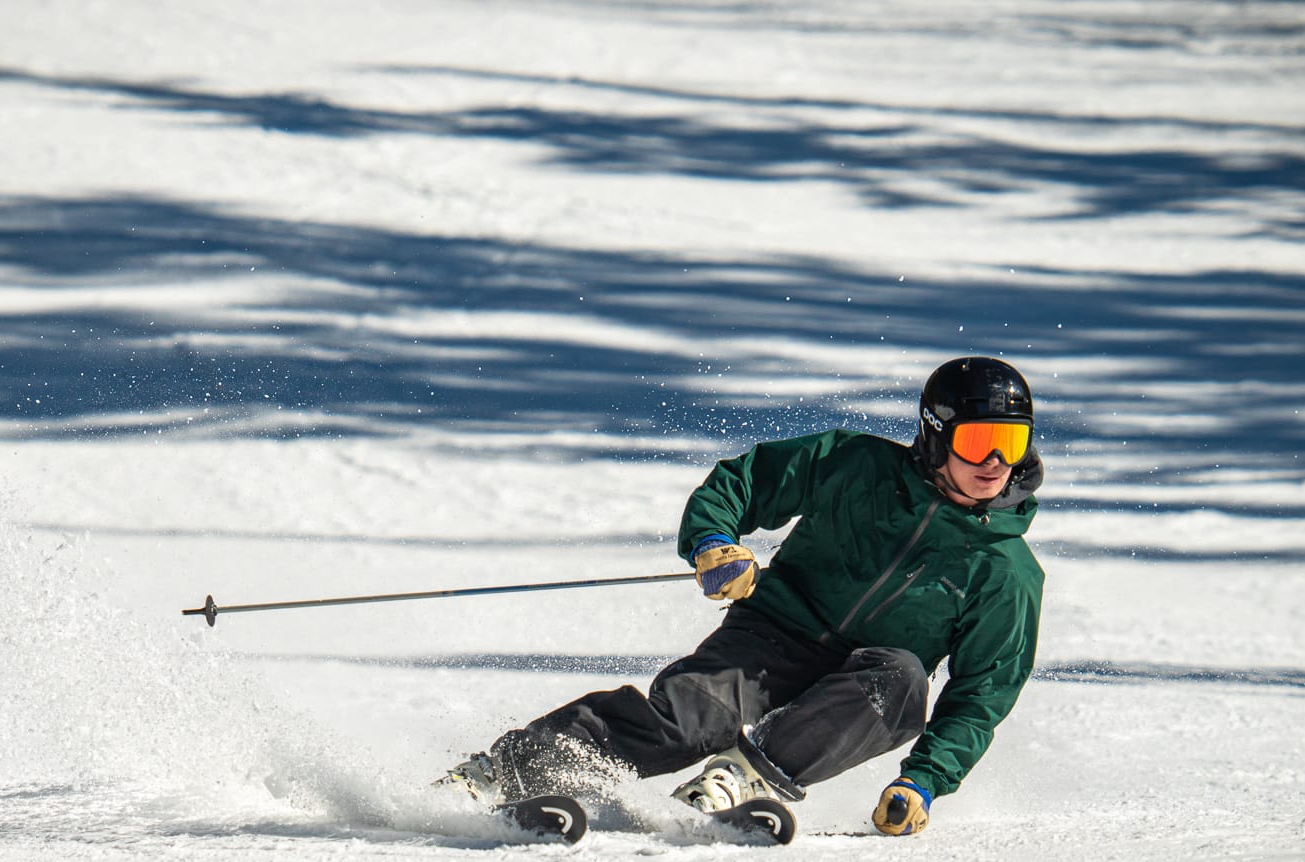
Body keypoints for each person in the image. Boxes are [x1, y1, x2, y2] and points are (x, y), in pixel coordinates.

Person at [441, 356, 1045, 836]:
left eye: (1011, 444)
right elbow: (746, 481)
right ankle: (507, 771)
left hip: (869, 687)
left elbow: (979, 696)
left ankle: (739, 780)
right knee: (685, 724)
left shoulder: (1005, 572)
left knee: (905, 679)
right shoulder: (856, 467)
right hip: (773, 636)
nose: (994, 462)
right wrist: (712, 543)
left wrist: (923, 781)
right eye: (978, 440)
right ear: (936, 436)